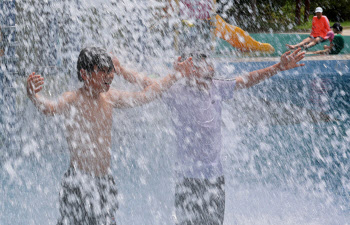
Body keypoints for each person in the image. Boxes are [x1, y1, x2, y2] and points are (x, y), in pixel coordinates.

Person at [26, 46, 193, 225]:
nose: (110, 76)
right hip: (78, 182)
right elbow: (49, 108)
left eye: (111, 71)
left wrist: (176, 75)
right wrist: (33, 96)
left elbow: (144, 96)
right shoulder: (73, 98)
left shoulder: (110, 98)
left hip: (104, 182)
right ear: (85, 74)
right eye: (103, 71)